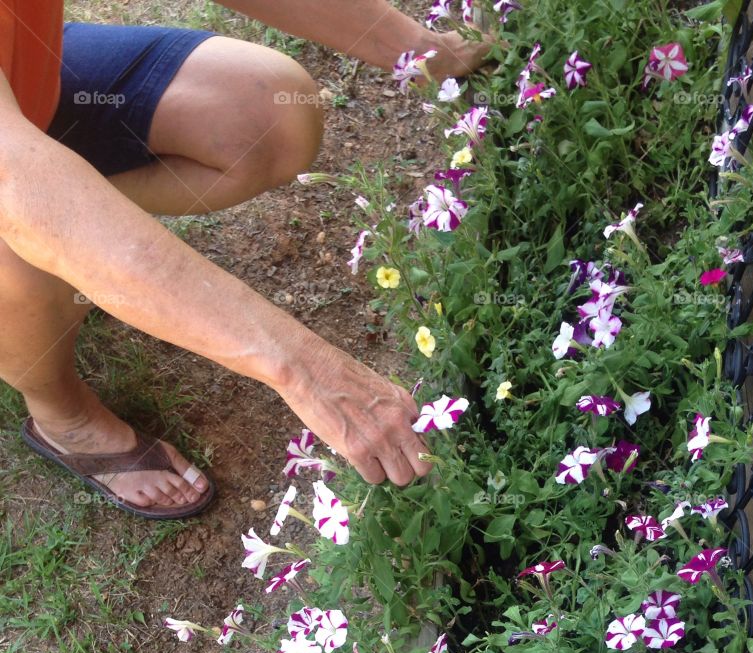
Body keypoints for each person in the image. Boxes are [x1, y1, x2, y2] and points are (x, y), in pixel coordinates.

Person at [0, 2, 489, 517]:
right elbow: (13, 182)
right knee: (27, 252)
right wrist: (307, 371)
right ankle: (61, 416)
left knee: (266, 115)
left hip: (23, 81)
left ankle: (91, 227)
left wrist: (417, 52)